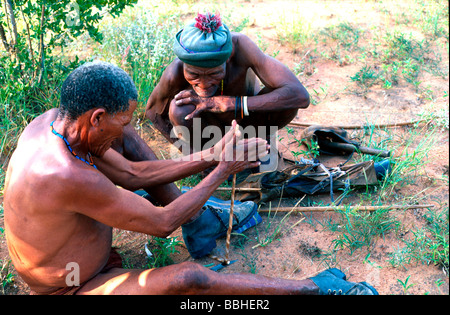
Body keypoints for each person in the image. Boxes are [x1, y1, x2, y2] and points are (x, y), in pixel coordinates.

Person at [4, 62, 378, 295]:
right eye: (121, 121)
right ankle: (316, 290)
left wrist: (213, 154)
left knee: (129, 143)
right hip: (71, 284)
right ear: (97, 117)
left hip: (82, 261)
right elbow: (163, 223)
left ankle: (202, 220)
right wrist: (223, 169)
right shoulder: (65, 175)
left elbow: (131, 174)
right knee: (190, 280)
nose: (125, 130)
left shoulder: (57, 123)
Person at [146, 12, 310, 156]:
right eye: (194, 74)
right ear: (183, 65)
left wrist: (232, 103)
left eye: (214, 73)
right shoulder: (174, 73)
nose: (203, 84)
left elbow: (299, 95)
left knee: (285, 100)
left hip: (249, 122)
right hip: (209, 134)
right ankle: (214, 159)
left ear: (229, 57)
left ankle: (257, 142)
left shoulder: (242, 47)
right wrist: (195, 157)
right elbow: (152, 111)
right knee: (179, 108)